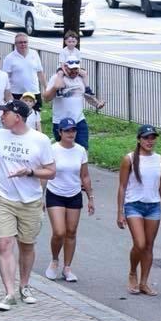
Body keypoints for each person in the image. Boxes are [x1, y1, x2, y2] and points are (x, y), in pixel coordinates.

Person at [0, 100, 55, 312]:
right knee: (4, 244)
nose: (1, 116)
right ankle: (9, 293)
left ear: (17, 117)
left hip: (30, 201)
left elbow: (51, 171)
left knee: (27, 245)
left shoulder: (40, 140)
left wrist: (30, 172)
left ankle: (24, 285)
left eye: (5, 113)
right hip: (3, 199)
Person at [116, 124, 161, 297]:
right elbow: (122, 187)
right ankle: (133, 272)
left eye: (152, 137)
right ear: (139, 139)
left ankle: (144, 282)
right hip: (134, 205)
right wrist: (120, 211)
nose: (150, 141)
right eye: (146, 137)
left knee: (148, 246)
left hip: (153, 206)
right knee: (139, 244)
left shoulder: (159, 159)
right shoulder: (129, 159)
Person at [44, 118, 94, 283]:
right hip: (55, 193)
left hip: (74, 194)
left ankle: (67, 267)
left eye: (73, 130)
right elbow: (45, 174)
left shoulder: (80, 150)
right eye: (67, 131)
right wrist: (39, 196)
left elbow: (84, 176)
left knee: (71, 232)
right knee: (59, 231)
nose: (70, 134)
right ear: (60, 132)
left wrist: (90, 197)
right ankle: (54, 260)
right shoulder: (52, 150)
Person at [43, 58, 89, 149]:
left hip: (79, 120)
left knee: (83, 149)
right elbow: (46, 98)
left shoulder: (81, 78)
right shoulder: (56, 78)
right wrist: (55, 88)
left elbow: (87, 94)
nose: (74, 72)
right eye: (71, 69)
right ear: (64, 68)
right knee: (63, 149)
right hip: (60, 121)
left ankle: (82, 163)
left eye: (76, 69)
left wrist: (97, 103)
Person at [2, 33, 46, 110]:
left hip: (34, 92)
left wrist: (46, 87)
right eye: (20, 42)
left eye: (25, 42)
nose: (23, 44)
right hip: (16, 94)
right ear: (15, 44)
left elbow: (40, 72)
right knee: (18, 118)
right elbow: (5, 78)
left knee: (35, 118)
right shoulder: (9, 58)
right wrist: (8, 94)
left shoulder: (34, 54)